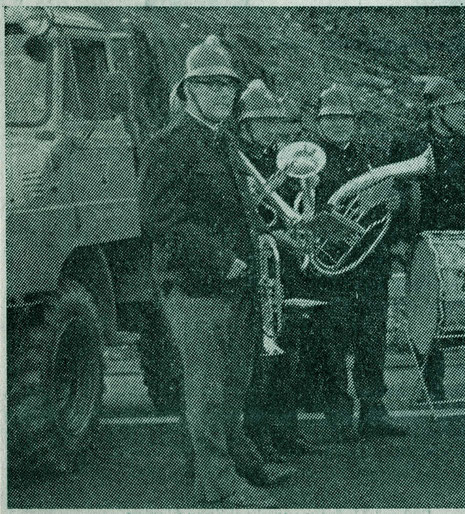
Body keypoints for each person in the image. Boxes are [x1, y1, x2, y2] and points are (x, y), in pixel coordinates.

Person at [138, 35, 292, 508]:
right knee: (206, 390)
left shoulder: (222, 142)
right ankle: (216, 484)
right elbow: (162, 223)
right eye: (209, 86)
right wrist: (224, 261)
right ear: (188, 92)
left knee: (233, 383)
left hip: (236, 286)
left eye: (227, 87)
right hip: (197, 289)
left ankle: (240, 460)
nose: (222, 94)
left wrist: (273, 239)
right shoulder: (170, 144)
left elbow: (239, 210)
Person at [278, 82, 410, 440]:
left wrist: (395, 201)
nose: (339, 124)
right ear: (320, 123)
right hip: (329, 267)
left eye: (345, 118)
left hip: (369, 262)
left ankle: (374, 409)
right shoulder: (305, 161)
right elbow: (294, 210)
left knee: (372, 337)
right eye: (331, 119)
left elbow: (392, 199)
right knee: (330, 342)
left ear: (354, 122)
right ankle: (338, 412)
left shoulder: (371, 158)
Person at [389, 76, 465, 402]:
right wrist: (400, 239)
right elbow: (396, 195)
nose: (464, 112)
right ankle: (432, 384)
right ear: (438, 111)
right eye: (456, 107)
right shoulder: (409, 146)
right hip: (423, 238)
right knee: (425, 305)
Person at [235, 79, 318, 460]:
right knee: (261, 361)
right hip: (263, 264)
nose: (271, 128)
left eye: (274, 122)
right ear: (247, 125)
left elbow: (295, 212)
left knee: (289, 355)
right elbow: (248, 220)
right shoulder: (238, 158)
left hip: (288, 268)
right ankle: (260, 439)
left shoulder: (280, 160)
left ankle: (286, 432)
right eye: (262, 122)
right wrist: (279, 233)